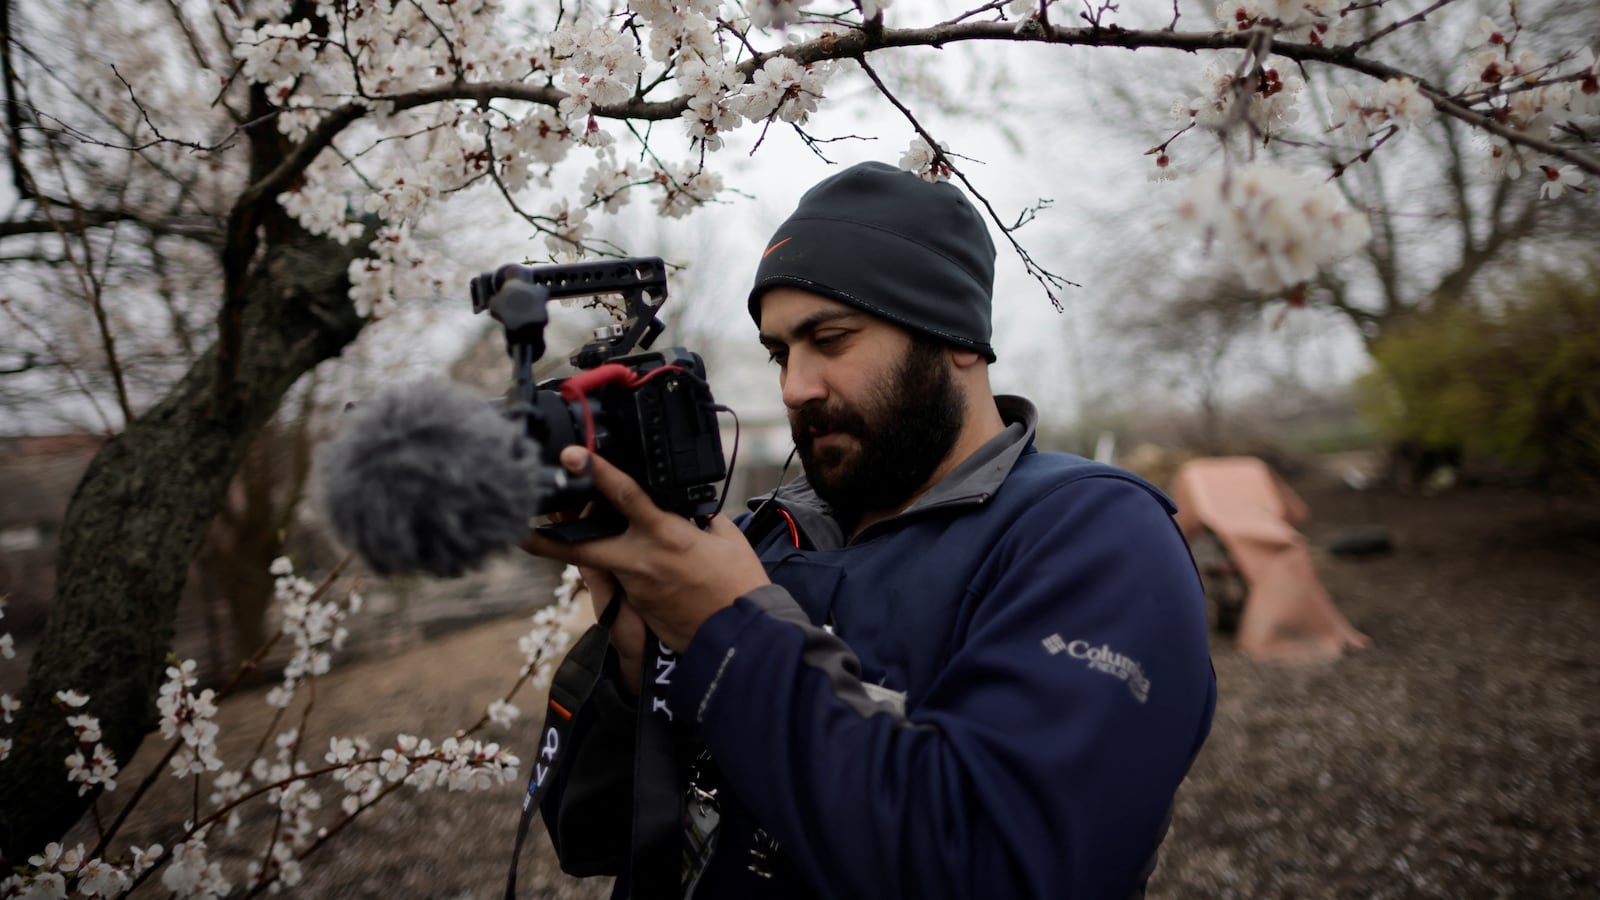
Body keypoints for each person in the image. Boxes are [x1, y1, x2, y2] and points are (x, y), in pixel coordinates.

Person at [521, 161, 1216, 900]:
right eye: (781, 352)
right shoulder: (759, 538)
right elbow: (591, 837)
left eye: (831, 339)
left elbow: (1003, 866)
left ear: (955, 336)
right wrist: (636, 669)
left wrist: (729, 632)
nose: (794, 387)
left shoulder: (1092, 537)